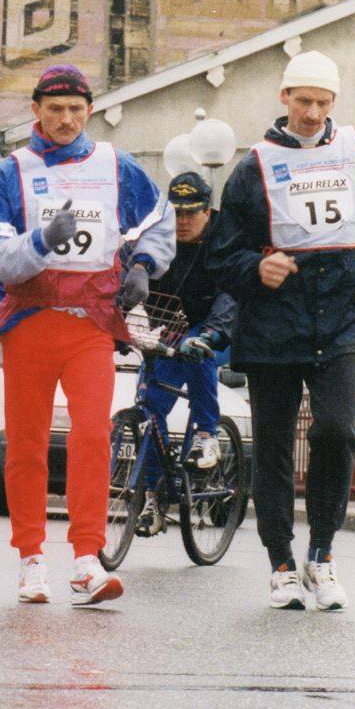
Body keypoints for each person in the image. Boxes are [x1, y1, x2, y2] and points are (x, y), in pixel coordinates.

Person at [0, 64, 175, 606]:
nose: (66, 120)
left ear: (90, 110)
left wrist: (143, 265)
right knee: (27, 442)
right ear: (36, 110)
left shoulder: (116, 164)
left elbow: (160, 218)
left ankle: (87, 558)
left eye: (76, 110)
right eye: (55, 109)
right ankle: (31, 558)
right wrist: (40, 241)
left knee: (92, 433)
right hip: (31, 322)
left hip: (90, 324)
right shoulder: (11, 172)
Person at [208, 50, 355, 611]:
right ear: (284, 98)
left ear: (334, 102)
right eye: (303, 101)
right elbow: (224, 256)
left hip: (342, 316)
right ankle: (281, 564)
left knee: (336, 431)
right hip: (274, 322)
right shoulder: (253, 167)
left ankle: (322, 553)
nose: (313, 113)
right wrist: (256, 267)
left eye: (322, 102)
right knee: (273, 446)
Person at [135, 171, 236, 538]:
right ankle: (154, 496)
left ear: (207, 211)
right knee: (148, 407)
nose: (182, 221)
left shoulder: (225, 238)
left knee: (199, 351)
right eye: (176, 213)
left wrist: (212, 333)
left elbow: (231, 292)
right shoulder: (157, 236)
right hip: (170, 325)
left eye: (191, 213)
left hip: (215, 326)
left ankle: (207, 434)